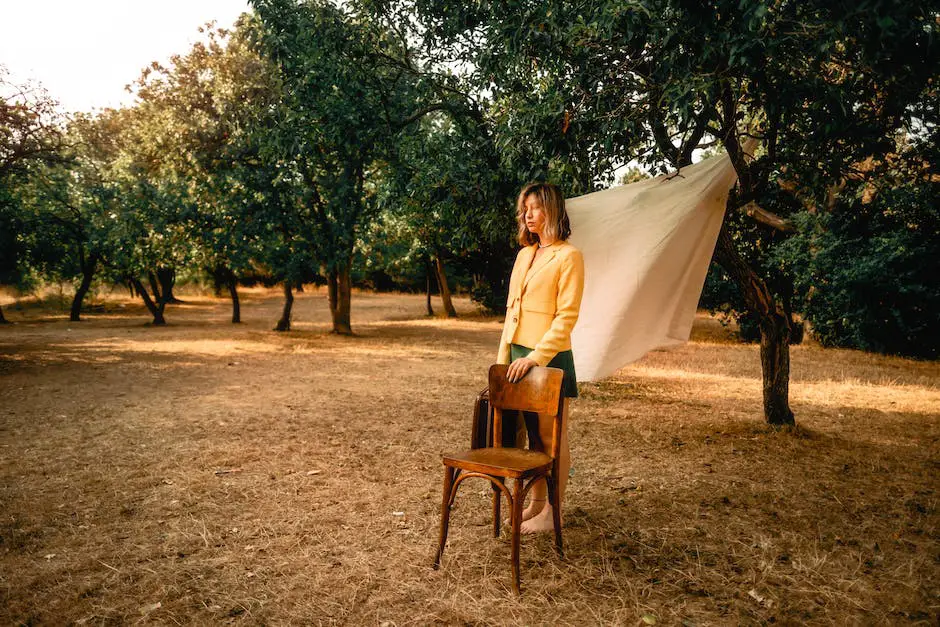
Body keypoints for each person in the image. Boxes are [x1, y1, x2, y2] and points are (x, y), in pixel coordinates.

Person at [497, 181, 584, 534]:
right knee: (531, 438)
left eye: (534, 207)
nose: (527, 214)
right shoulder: (524, 254)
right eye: (525, 208)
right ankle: (535, 504)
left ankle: (553, 511)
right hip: (517, 356)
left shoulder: (569, 256)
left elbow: (567, 318)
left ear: (552, 209)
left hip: (547, 358)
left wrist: (536, 357)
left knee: (552, 439)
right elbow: (512, 314)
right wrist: (503, 361)